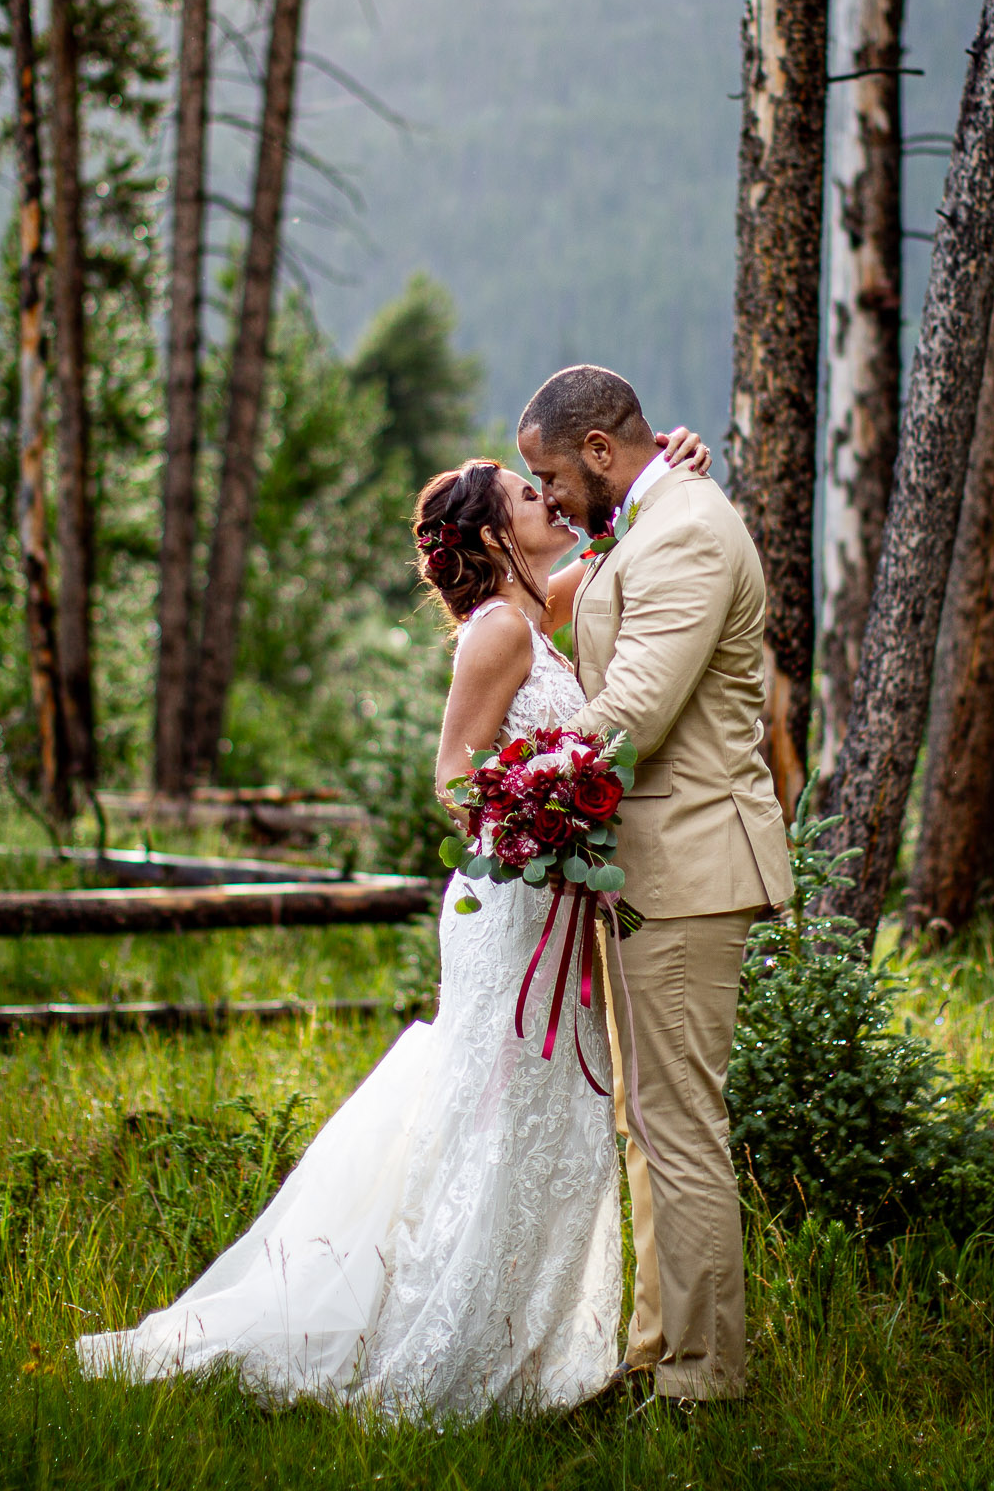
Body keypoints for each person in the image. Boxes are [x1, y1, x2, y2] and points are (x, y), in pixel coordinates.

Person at [75, 427, 711, 1418]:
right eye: (523, 492)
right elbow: (455, 779)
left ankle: (531, 1348)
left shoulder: (542, 617)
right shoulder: (499, 634)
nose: (547, 498)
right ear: (496, 535)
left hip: (557, 898)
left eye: (544, 487)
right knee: (502, 1120)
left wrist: (665, 469)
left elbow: (618, 537)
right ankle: (455, 1347)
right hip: (516, 905)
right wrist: (543, 808)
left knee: (548, 1125)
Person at [518, 365, 791, 1404]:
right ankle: (655, 1350)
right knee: (653, 1121)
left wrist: (516, 783)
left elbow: (634, 708)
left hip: (689, 866)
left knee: (680, 1129)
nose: (545, 499)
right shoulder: (652, 515)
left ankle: (703, 1377)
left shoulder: (682, 527)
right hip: (658, 868)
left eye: (551, 476)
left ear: (598, 451)